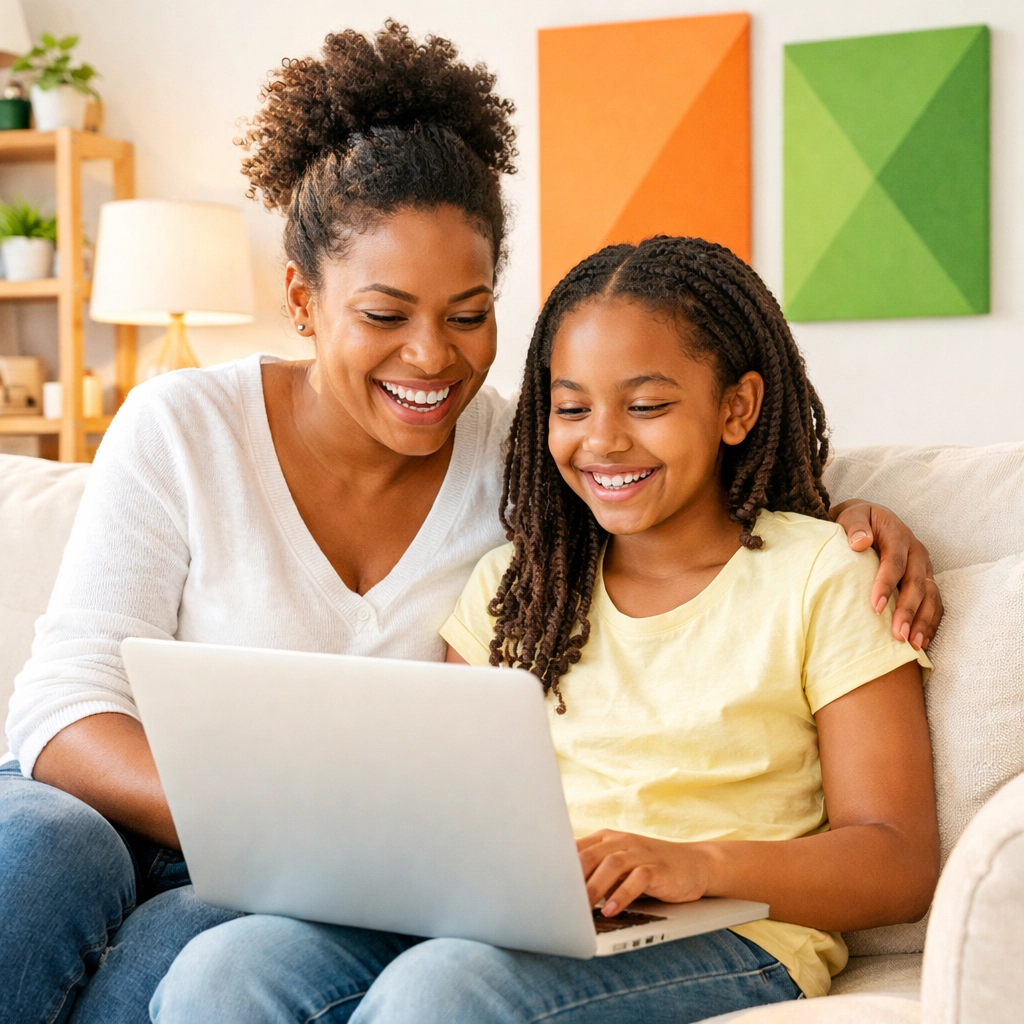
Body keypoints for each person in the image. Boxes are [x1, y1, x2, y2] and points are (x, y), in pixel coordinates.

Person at [0, 25, 939, 1024]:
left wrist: (849, 517)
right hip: (178, 816)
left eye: (467, 313)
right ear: (302, 299)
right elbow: (65, 700)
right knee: (81, 871)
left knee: (258, 964)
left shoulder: (525, 466)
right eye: (385, 314)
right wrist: (288, 826)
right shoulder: (194, 430)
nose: (431, 357)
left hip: (474, 897)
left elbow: (695, 496)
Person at [152, 236, 938, 1023]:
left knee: (444, 993)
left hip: (735, 932)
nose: (603, 439)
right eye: (571, 408)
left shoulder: (823, 575)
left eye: (646, 406)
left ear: (736, 408)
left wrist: (695, 865)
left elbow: (898, 862)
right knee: (227, 970)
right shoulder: (514, 588)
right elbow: (449, 807)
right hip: (518, 920)